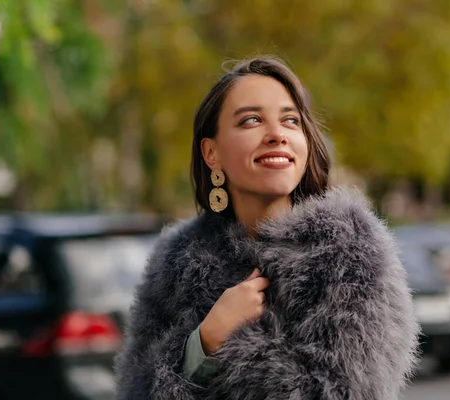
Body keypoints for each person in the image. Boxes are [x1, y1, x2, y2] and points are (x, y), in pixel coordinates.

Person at [114, 56, 419, 400]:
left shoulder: (352, 254)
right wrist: (205, 339)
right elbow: (135, 390)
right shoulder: (174, 264)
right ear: (211, 153)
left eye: (291, 120)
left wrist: (228, 344)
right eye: (252, 120)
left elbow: (347, 392)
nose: (277, 135)